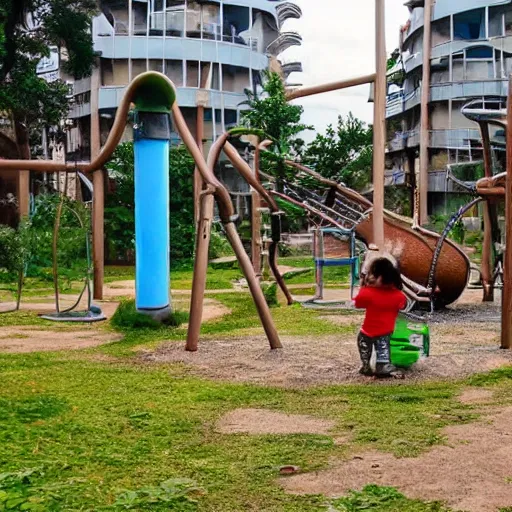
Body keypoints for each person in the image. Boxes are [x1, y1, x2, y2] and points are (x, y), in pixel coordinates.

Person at [353, 257, 407, 378]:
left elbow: (358, 303)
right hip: (385, 331)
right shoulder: (398, 295)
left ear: (382, 277)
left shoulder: (368, 293)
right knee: (383, 349)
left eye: (373, 274)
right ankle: (382, 365)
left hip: (367, 330)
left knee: (364, 345)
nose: (370, 277)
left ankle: (366, 365)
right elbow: (403, 305)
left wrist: (363, 287)